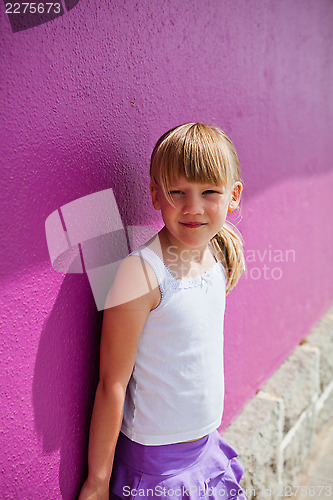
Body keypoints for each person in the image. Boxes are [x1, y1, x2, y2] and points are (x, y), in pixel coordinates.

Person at [78, 122, 247, 499]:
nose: (193, 207)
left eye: (209, 192)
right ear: (155, 194)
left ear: (232, 195)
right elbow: (112, 384)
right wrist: (98, 481)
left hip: (205, 448)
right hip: (156, 467)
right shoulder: (142, 274)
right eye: (177, 192)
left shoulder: (217, 253)